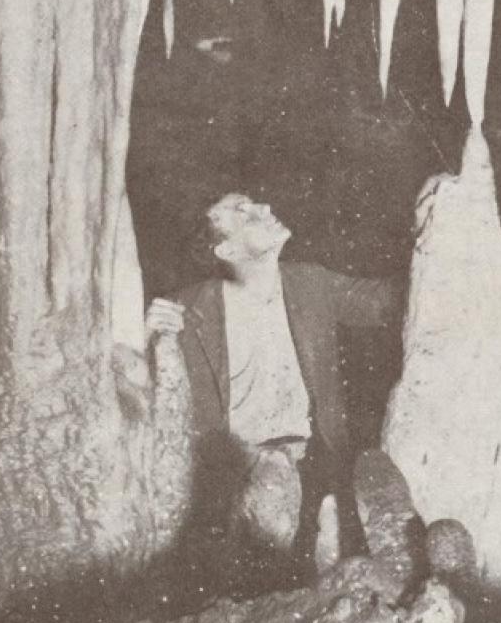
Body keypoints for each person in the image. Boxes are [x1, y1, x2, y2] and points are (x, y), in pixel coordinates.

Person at [145, 192, 402, 593]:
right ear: (225, 248)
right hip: (237, 475)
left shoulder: (310, 284)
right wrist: (142, 335)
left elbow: (386, 301)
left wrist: (443, 249)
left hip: (311, 463)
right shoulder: (187, 311)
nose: (264, 208)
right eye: (243, 213)